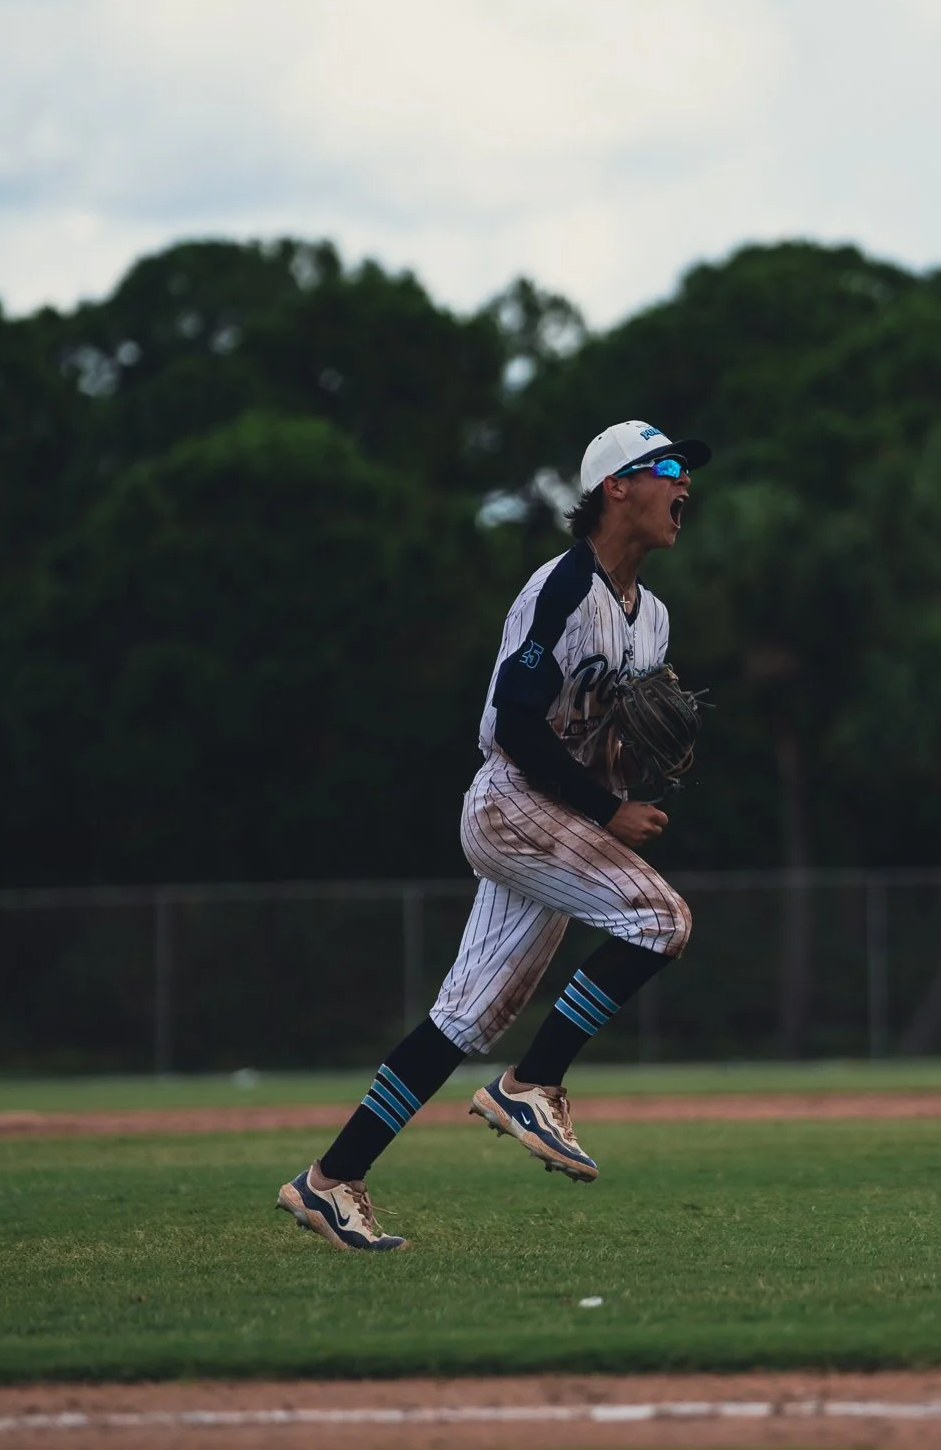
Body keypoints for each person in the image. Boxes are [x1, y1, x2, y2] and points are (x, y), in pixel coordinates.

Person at [277, 419, 711, 1249]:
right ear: (615, 486)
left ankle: (329, 1182)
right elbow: (515, 719)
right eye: (666, 467)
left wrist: (642, 755)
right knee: (660, 921)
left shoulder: (651, 619)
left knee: (463, 1019)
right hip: (514, 805)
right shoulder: (560, 588)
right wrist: (605, 811)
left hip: (556, 817)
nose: (684, 482)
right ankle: (533, 1082)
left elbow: (609, 735)